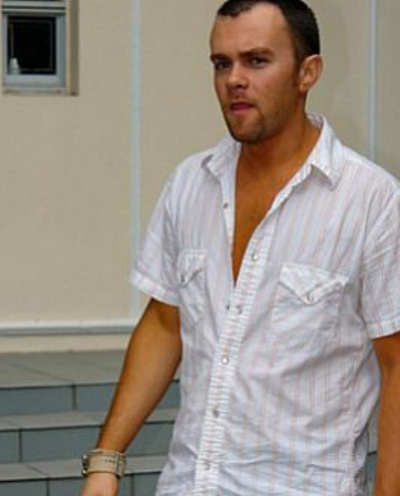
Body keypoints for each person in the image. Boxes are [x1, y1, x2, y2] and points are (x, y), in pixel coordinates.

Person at [80, 0, 400, 494]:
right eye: (221, 63)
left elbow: (396, 364)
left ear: (308, 72)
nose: (234, 79)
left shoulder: (370, 201)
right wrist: (106, 460)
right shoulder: (191, 183)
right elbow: (164, 323)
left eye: (257, 60)